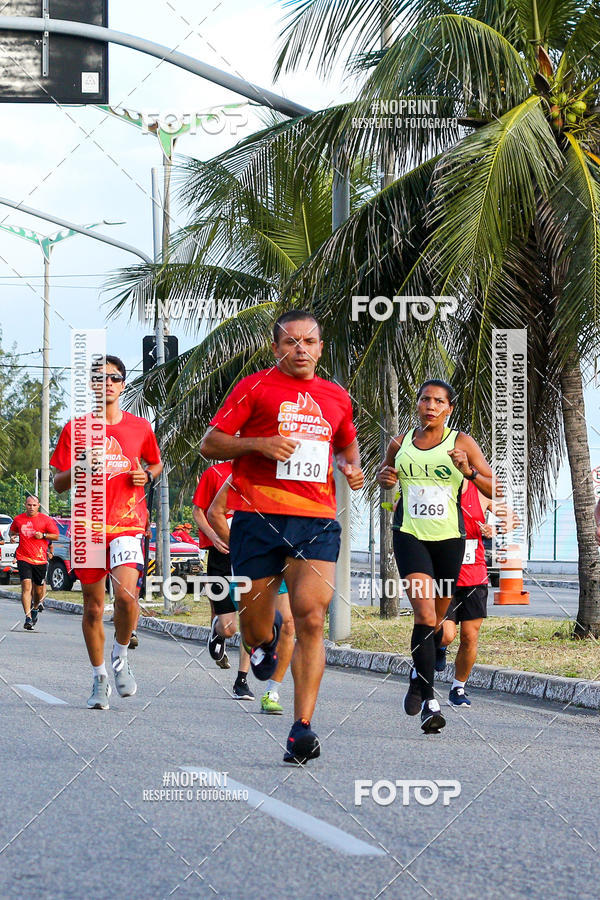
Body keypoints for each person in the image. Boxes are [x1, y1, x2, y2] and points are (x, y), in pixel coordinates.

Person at [201, 309, 363, 763]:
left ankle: (302, 728)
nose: (301, 350)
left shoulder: (336, 397)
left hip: (315, 520)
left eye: (310, 342)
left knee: (311, 618)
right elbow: (210, 442)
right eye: (291, 342)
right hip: (257, 518)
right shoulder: (254, 387)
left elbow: (347, 443)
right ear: (276, 348)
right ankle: (264, 646)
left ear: (320, 348)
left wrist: (352, 468)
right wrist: (258, 444)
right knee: (255, 628)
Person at [378, 379, 493, 734]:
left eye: (438, 401)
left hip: (449, 540)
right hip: (410, 536)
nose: (430, 405)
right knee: (425, 615)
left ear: (449, 408)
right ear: (417, 404)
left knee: (440, 626)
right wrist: (384, 478)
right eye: (425, 399)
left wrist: (468, 471)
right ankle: (430, 702)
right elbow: (386, 477)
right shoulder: (401, 443)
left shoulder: (461, 442)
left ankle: (418, 674)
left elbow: (494, 486)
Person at [51, 355, 162, 710]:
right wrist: (81, 466)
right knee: (94, 607)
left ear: (122, 385)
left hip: (128, 523)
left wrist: (148, 475)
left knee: (127, 598)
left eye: (114, 378)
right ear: (92, 385)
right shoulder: (75, 428)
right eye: (100, 378)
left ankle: (120, 654)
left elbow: (154, 463)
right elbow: (57, 484)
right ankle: (100, 676)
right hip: (88, 527)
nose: (108, 383)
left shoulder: (140, 427)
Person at [207, 475, 296, 714]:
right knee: (248, 627)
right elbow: (214, 512)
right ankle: (245, 649)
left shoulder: (298, 472)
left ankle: (271, 691)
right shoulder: (246, 471)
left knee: (288, 624)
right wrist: (238, 550)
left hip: (286, 554)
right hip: (253, 559)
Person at [435, 483, 515, 706]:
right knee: (447, 635)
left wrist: (495, 530)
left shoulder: (480, 492)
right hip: (445, 575)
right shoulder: (438, 490)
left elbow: (511, 519)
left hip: (474, 577)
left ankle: (458, 689)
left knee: (470, 636)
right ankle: (440, 648)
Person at [192, 462, 253, 693]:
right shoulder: (214, 473)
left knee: (250, 616)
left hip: (251, 553)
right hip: (222, 553)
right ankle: (218, 632)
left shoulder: (260, 471)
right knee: (229, 628)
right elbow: (198, 511)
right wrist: (214, 536)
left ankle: (242, 680)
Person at [9, 495, 59, 630]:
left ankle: (35, 607)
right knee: (26, 586)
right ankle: (28, 617)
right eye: (29, 505)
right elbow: (12, 532)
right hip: (23, 557)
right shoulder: (18, 519)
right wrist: (13, 537)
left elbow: (56, 535)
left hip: (40, 559)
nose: (31, 507)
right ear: (25, 505)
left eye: (34, 505)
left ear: (38, 506)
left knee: (38, 591)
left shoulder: (46, 520)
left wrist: (43, 535)